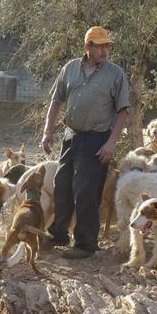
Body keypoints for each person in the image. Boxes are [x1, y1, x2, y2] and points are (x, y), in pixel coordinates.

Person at [40, 26, 131, 259]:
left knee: (86, 191)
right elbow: (56, 100)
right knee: (62, 184)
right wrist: (48, 130)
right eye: (99, 45)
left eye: (107, 46)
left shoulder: (115, 74)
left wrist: (111, 144)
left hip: (97, 139)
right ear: (87, 47)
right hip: (71, 136)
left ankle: (86, 244)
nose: (105, 50)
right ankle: (59, 233)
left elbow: (123, 112)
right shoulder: (70, 68)